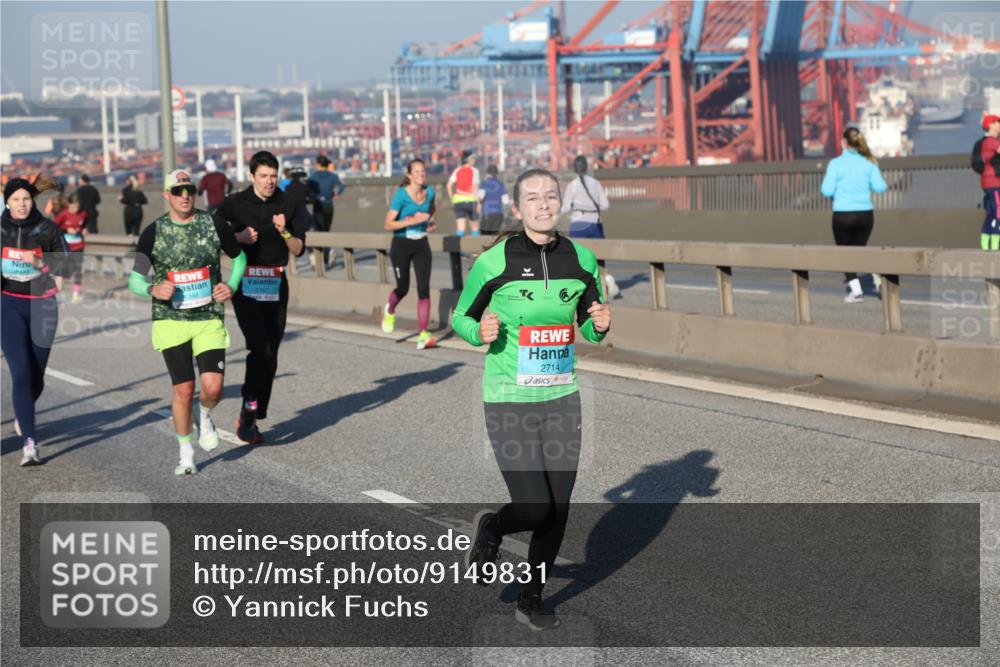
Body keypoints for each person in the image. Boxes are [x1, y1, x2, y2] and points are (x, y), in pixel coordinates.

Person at [453, 168, 611, 631]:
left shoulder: (582, 259)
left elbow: (587, 324)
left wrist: (599, 324)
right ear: (518, 209)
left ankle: (532, 595)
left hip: (562, 397)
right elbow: (462, 315)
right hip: (508, 398)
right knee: (534, 507)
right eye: (533, 198)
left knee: (558, 507)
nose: (543, 204)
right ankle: (492, 528)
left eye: (550, 196)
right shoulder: (495, 262)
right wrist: (476, 331)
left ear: (560, 202)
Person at [129, 170, 247, 475]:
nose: (185, 195)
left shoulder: (213, 223)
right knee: (183, 390)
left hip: (207, 317)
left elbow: (239, 258)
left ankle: (204, 414)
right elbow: (135, 279)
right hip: (171, 320)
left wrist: (231, 285)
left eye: (189, 189)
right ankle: (185, 454)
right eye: (178, 190)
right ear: (166, 195)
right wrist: (152, 289)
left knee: (214, 387)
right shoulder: (152, 233)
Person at [213, 150, 307, 444]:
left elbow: (299, 249)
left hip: (276, 283)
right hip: (247, 283)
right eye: (263, 176)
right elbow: (212, 232)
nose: (269, 181)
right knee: (260, 349)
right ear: (252, 176)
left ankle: (252, 410)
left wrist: (284, 233)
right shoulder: (236, 203)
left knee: (271, 356)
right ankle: (249, 413)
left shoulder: (289, 203)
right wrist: (237, 238)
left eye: (273, 176)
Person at [1, 175, 68, 466]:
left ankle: (22, 412)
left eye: (25, 199)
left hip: (43, 305)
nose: (21, 204)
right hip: (8, 304)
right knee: (21, 372)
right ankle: (30, 442)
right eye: (15, 199)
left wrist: (39, 263)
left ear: (33, 200)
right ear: (7, 202)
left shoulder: (47, 229)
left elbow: (66, 272)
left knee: (36, 375)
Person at [821, 127, 888, 302]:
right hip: (866, 215)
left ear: (844, 142)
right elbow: (881, 187)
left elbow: (826, 190)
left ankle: (857, 292)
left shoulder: (835, 164)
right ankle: (875, 273)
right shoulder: (870, 162)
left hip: (843, 214)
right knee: (859, 251)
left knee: (846, 254)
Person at [381, 158, 438, 350]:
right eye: (417, 172)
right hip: (401, 245)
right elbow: (387, 224)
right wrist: (412, 221)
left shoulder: (429, 192)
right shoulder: (401, 196)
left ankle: (423, 334)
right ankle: (390, 310)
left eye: (423, 171)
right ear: (409, 175)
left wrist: (431, 222)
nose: (421, 175)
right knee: (403, 287)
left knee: (424, 288)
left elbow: (432, 208)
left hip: (421, 244)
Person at [562, 155, 617, 298]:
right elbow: (605, 205)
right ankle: (606, 285)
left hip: (578, 224)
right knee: (600, 257)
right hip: (594, 223)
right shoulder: (595, 183)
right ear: (587, 167)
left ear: (574, 168)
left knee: (575, 257)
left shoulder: (572, 185)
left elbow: (565, 208)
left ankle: (577, 289)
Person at [308, 155, 346, 266]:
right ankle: (327, 254)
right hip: (329, 205)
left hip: (318, 204)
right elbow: (342, 185)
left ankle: (322, 257)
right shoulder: (333, 176)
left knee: (319, 230)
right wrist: (337, 193)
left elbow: (308, 188)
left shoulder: (313, 177)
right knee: (326, 230)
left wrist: (312, 196)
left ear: (319, 164)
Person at [53, 194, 89, 302]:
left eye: (77, 207)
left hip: (78, 245)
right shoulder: (63, 215)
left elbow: (85, 223)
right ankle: (56, 291)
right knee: (64, 270)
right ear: (69, 205)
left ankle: (76, 294)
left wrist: (84, 229)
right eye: (73, 207)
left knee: (78, 268)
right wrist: (66, 231)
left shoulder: (83, 214)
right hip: (65, 246)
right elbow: (53, 228)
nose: (75, 209)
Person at [975, 114, 1000, 251]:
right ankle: (995, 246)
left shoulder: (987, 142)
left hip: (988, 183)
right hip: (995, 183)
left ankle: (985, 245)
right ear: (990, 125)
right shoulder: (992, 142)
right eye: (997, 122)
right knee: (998, 214)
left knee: (990, 214)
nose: (999, 125)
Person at [447, 150, 481, 236]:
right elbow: (475, 188)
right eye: (473, 158)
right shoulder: (474, 171)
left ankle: (456, 248)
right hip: (471, 201)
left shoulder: (457, 170)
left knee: (460, 229)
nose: (474, 160)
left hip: (458, 201)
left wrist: (452, 199)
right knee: (475, 228)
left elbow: (449, 185)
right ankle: (476, 248)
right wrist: (479, 203)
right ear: (468, 160)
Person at [478, 164, 509, 234]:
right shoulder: (501, 184)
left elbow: (480, 198)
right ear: (497, 174)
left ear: (487, 173)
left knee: (484, 236)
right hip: (499, 214)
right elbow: (506, 201)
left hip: (487, 214)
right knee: (494, 237)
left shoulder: (484, 184)